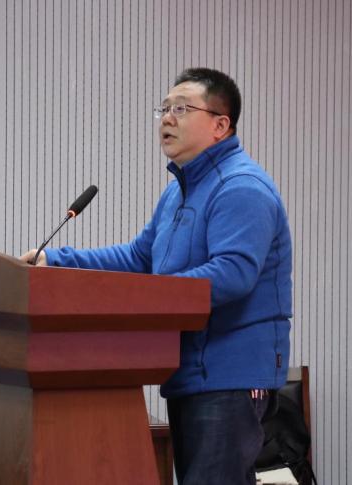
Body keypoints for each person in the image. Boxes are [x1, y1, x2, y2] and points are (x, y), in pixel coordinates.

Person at [21, 67, 292, 485]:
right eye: (163, 109)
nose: (167, 118)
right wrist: (54, 261)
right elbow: (139, 257)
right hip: (190, 373)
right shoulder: (178, 192)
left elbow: (232, 274)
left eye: (181, 109)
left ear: (220, 125)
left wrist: (148, 296)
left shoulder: (241, 186)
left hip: (230, 376)